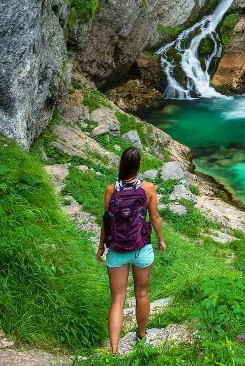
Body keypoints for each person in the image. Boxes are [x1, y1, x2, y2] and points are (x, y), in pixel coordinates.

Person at [97, 147, 166, 353]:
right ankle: (141, 336)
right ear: (138, 165)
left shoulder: (111, 189)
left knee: (117, 299)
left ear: (121, 164)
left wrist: (101, 246)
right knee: (142, 294)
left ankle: (114, 351)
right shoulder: (148, 188)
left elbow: (106, 222)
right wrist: (161, 239)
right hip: (141, 249)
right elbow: (154, 218)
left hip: (117, 250)